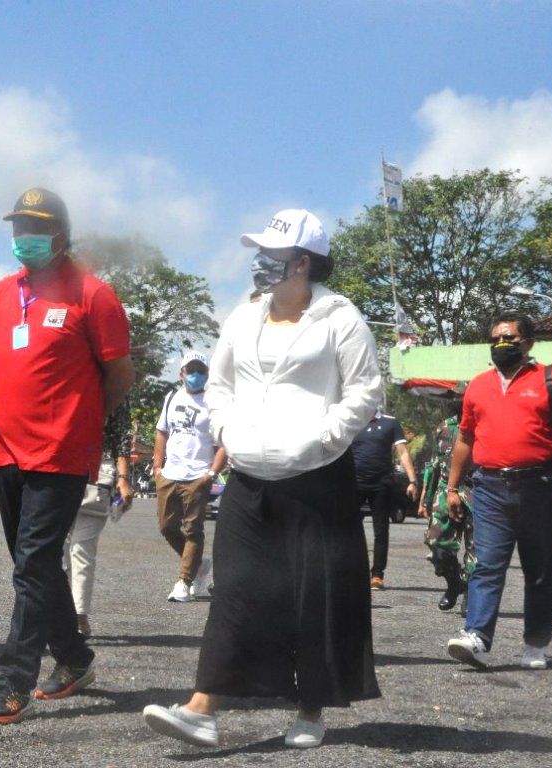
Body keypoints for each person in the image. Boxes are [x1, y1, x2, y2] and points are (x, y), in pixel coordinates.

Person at [143, 208, 382, 750]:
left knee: (311, 594)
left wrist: (323, 438)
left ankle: (310, 709)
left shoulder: (340, 318)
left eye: (272, 256)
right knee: (238, 589)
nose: (259, 264)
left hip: (317, 477)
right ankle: (202, 709)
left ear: (303, 263)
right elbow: (220, 387)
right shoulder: (241, 317)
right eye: (259, 253)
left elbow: (366, 391)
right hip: (250, 475)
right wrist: (227, 427)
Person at [0, 188, 135, 725]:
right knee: (32, 567)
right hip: (5, 450)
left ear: (62, 235)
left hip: (61, 454)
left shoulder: (94, 295)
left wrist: (81, 423)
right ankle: (75, 659)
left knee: (34, 563)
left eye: (35, 228)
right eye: (18, 227)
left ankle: (11, 681)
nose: (24, 238)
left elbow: (120, 375)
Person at [444, 311, 552, 671]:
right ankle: (476, 636)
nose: (501, 345)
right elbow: (465, 438)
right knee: (487, 565)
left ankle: (535, 643)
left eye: (508, 338)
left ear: (528, 343)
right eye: (495, 339)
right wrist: (451, 486)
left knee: (540, 569)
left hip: (539, 487)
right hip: (490, 487)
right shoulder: (478, 385)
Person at [152, 353, 226, 602]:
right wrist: (157, 467)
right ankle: (199, 565)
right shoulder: (172, 397)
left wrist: (212, 473)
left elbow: (223, 443)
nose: (195, 375)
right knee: (166, 526)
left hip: (198, 474)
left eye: (200, 370)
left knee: (193, 529)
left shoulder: (214, 402)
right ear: (181, 373)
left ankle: (184, 581)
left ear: (207, 373)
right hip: (170, 473)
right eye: (190, 370)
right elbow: (161, 432)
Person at [64, 412, 136, 638]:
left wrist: (123, 479)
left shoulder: (112, 387)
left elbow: (122, 440)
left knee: (79, 551)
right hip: (61, 471)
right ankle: (68, 614)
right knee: (62, 554)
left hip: (93, 479)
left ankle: (78, 615)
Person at [350, 410, 417, 590]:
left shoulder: (390, 423)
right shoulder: (352, 420)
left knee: (381, 530)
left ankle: (377, 575)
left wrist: (412, 480)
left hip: (382, 484)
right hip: (354, 483)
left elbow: (402, 452)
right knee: (349, 529)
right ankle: (351, 572)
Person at [419, 402, 476, 611]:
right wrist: (426, 498)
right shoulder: (445, 427)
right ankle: (454, 583)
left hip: (476, 490)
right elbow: (434, 464)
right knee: (436, 543)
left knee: (476, 550)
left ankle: (470, 592)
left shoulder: (486, 426)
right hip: (445, 490)